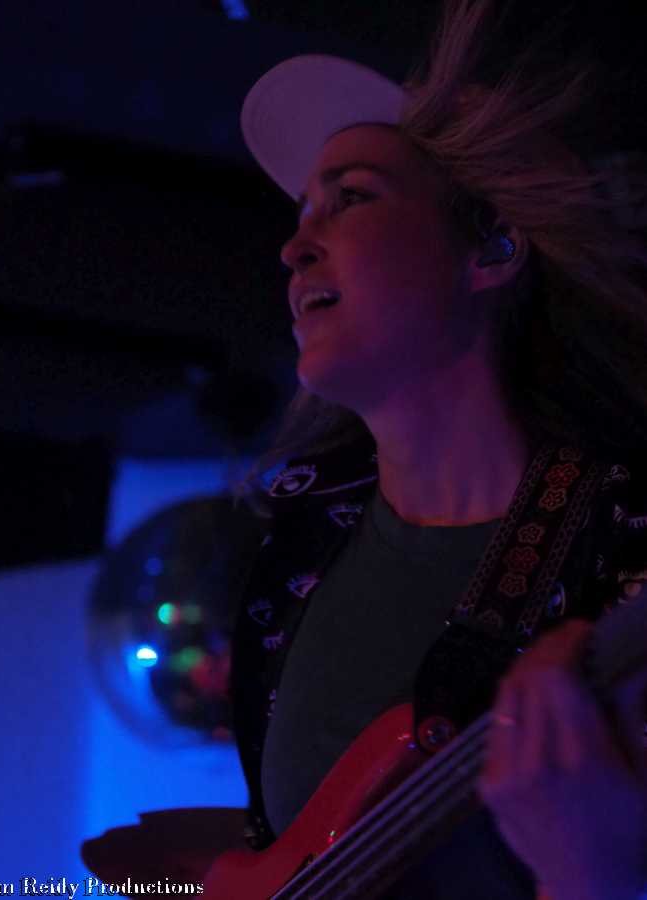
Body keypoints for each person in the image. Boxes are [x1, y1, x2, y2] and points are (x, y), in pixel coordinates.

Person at [229, 0, 647, 896]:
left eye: (349, 198)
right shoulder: (294, 553)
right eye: (303, 211)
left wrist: (598, 875)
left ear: (490, 248)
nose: (293, 246)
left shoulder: (624, 548)